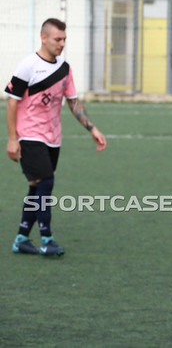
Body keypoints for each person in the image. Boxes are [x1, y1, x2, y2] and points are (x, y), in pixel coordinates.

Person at [5, 18, 107, 257]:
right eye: (57, 39)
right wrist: (12, 138)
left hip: (53, 137)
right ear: (44, 37)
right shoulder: (27, 66)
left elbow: (73, 102)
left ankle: (21, 238)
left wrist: (92, 128)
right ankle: (46, 239)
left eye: (64, 40)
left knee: (36, 186)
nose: (61, 44)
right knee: (46, 182)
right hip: (29, 135)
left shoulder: (64, 68)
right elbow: (12, 102)